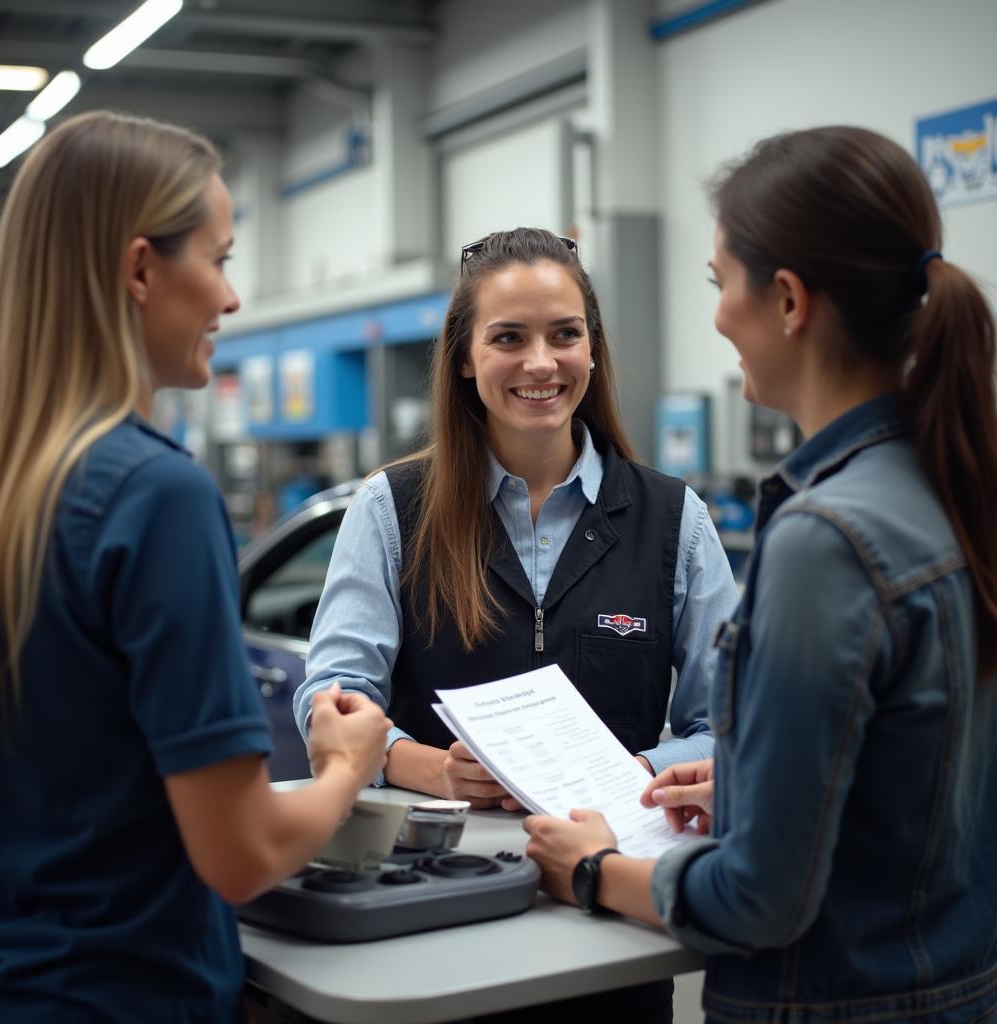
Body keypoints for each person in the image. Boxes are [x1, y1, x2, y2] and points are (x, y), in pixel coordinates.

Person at [523, 125, 997, 1023]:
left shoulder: (828, 540)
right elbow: (927, 788)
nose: (717, 315)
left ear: (786, 301)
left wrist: (589, 868)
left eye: (719, 283)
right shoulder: (953, 485)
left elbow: (759, 900)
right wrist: (753, 786)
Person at [0, 111, 389, 1023]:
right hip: (126, 996)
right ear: (138, 270)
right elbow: (240, 850)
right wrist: (347, 773)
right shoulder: (155, 497)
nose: (232, 300)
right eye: (221, 258)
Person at [294, 226, 738, 1021]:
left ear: (592, 349)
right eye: (509, 338)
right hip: (434, 917)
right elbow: (331, 697)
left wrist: (636, 774)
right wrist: (424, 767)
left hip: (609, 916)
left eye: (565, 334)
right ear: (465, 358)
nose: (541, 362)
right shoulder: (393, 508)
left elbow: (731, 722)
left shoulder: (675, 520)